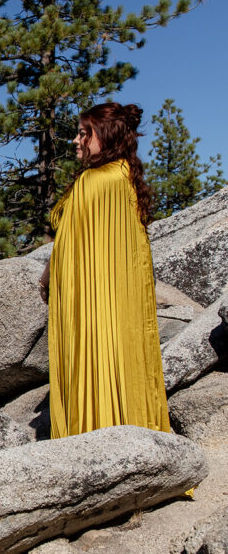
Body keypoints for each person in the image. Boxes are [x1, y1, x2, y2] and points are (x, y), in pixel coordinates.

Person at [40, 102, 171, 441]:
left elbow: (70, 241)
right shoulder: (126, 177)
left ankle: (90, 437)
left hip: (88, 303)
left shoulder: (94, 183)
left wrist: (48, 276)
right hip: (118, 303)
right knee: (125, 359)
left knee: (90, 360)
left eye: (84, 133)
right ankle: (138, 436)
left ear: (107, 136)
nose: (76, 141)